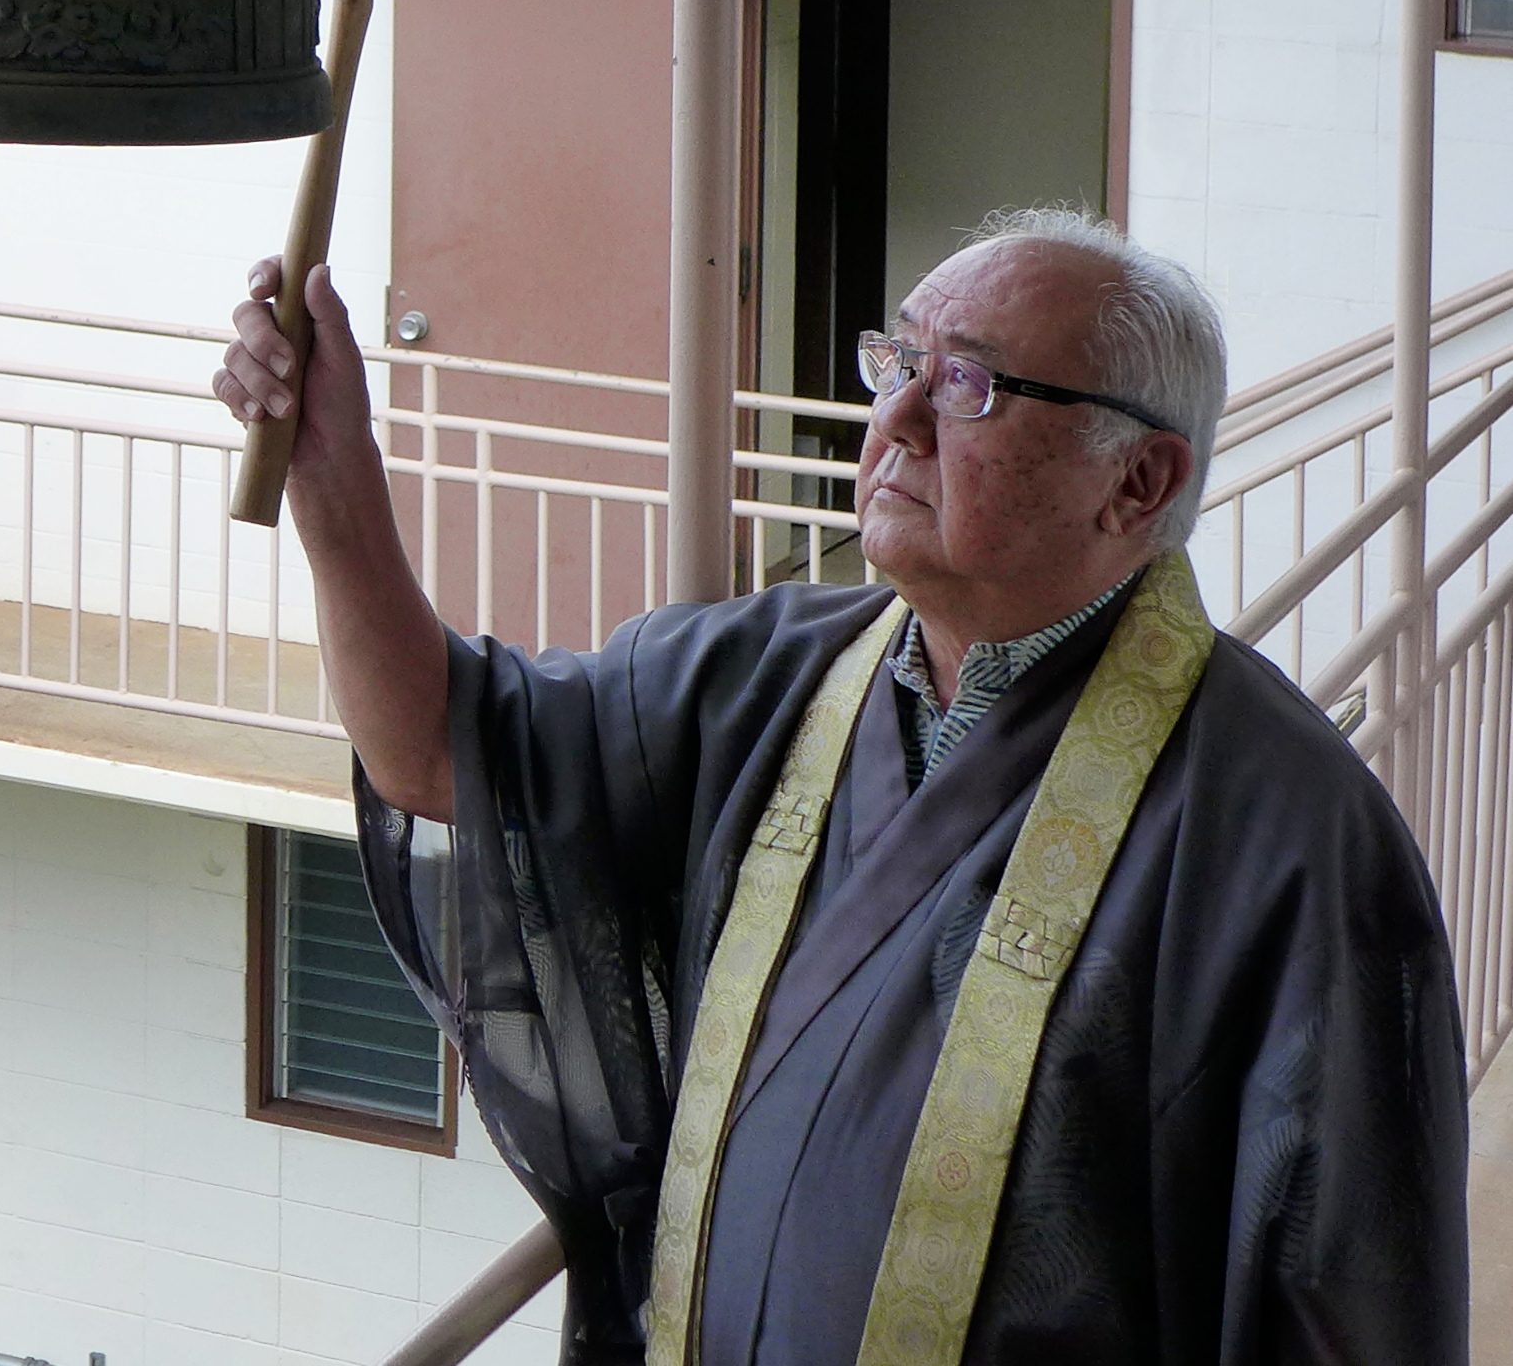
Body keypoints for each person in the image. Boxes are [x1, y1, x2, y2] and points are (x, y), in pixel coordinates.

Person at [215, 207, 1468, 1366]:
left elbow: (1343, 1299)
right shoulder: (768, 674)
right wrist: (337, 482)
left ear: (1138, 482)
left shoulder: (1289, 833)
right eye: (898, 364)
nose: (898, 422)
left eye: (968, 384)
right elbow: (444, 749)